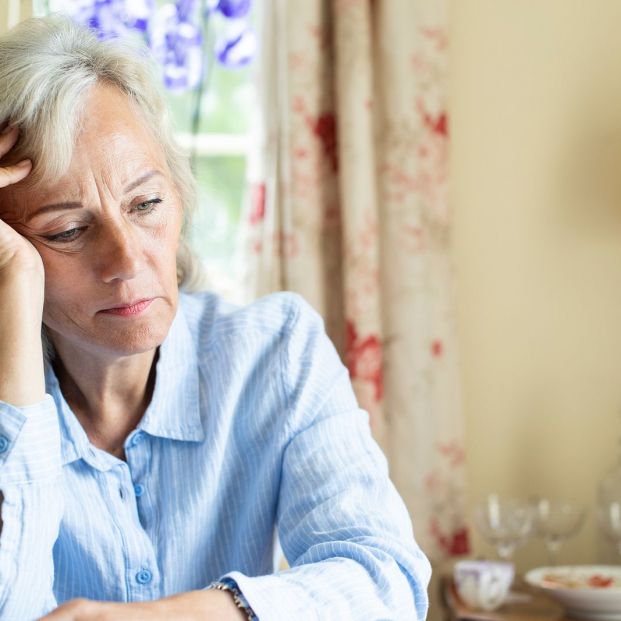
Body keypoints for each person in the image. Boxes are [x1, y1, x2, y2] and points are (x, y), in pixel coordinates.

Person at [0, 15, 431, 621]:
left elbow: (385, 582)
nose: (128, 259)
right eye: (67, 231)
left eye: (146, 203)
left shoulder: (276, 352)